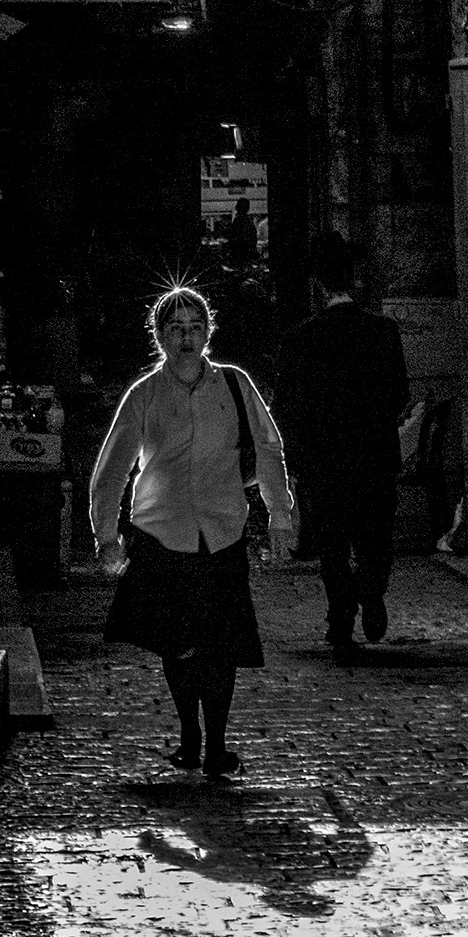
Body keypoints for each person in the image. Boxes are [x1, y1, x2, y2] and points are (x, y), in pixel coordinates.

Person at [89, 284, 293, 777]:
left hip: (222, 532)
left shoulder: (234, 385)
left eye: (195, 327)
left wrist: (279, 516)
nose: (186, 337)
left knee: (220, 646)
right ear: (159, 336)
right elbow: (113, 467)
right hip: (163, 536)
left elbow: (268, 449)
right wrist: (106, 535)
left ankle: (218, 745)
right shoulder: (145, 395)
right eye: (175, 328)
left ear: (208, 332)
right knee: (179, 644)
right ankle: (190, 736)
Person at [272, 231, 410, 664]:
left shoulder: (299, 339)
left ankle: (340, 616)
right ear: (355, 279)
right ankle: (371, 589)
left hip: (324, 460)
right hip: (373, 455)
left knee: (331, 543)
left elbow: (286, 407)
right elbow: (399, 394)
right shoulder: (383, 332)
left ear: (317, 285)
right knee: (376, 537)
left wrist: (295, 458)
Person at [226, 197, 258, 266]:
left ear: (237, 207)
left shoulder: (238, 221)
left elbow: (235, 238)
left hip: (239, 255)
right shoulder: (249, 222)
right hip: (248, 254)